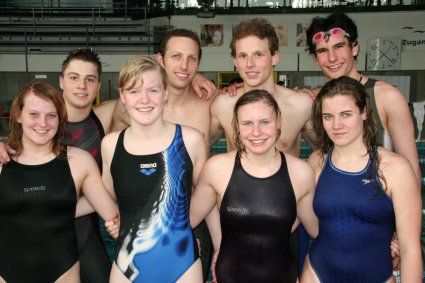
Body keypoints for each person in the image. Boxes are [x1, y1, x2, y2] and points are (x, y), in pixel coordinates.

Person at [110, 29, 217, 280]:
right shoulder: (127, 110)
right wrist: (116, 217)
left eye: (192, 59)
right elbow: (117, 169)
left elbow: (251, 109)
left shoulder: (211, 103)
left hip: (188, 227)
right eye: (176, 56)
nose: (184, 65)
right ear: (161, 59)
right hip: (139, 228)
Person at [301, 76, 422, 282]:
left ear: (364, 112)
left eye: (346, 114)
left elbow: (410, 249)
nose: (336, 124)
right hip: (317, 274)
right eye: (328, 116)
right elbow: (308, 223)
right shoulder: (316, 162)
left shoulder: (395, 168)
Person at [190, 89, 318, 282]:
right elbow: (187, 221)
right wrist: (186, 246)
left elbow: (316, 230)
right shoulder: (217, 168)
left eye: (265, 122)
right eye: (247, 124)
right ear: (237, 127)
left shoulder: (300, 173)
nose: (256, 132)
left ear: (278, 124)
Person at [0, 81, 119, 283]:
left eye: (51, 115)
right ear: (18, 116)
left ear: (60, 118)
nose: (43, 123)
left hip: (63, 274)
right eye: (34, 114)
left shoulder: (79, 161)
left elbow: (112, 213)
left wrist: (116, 225)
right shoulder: (2, 161)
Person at [305, 12, 421, 185]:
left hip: (379, 203)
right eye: (323, 50)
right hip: (333, 202)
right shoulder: (313, 99)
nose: (332, 57)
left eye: (339, 47)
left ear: (354, 48)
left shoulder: (387, 96)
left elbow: (412, 171)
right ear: (316, 59)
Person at [210, 18, 316, 156]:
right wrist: (194, 78)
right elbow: (192, 146)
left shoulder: (301, 105)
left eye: (258, 55)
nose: (249, 64)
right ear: (235, 61)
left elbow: (329, 153)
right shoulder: (222, 105)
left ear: (275, 57)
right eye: (242, 56)